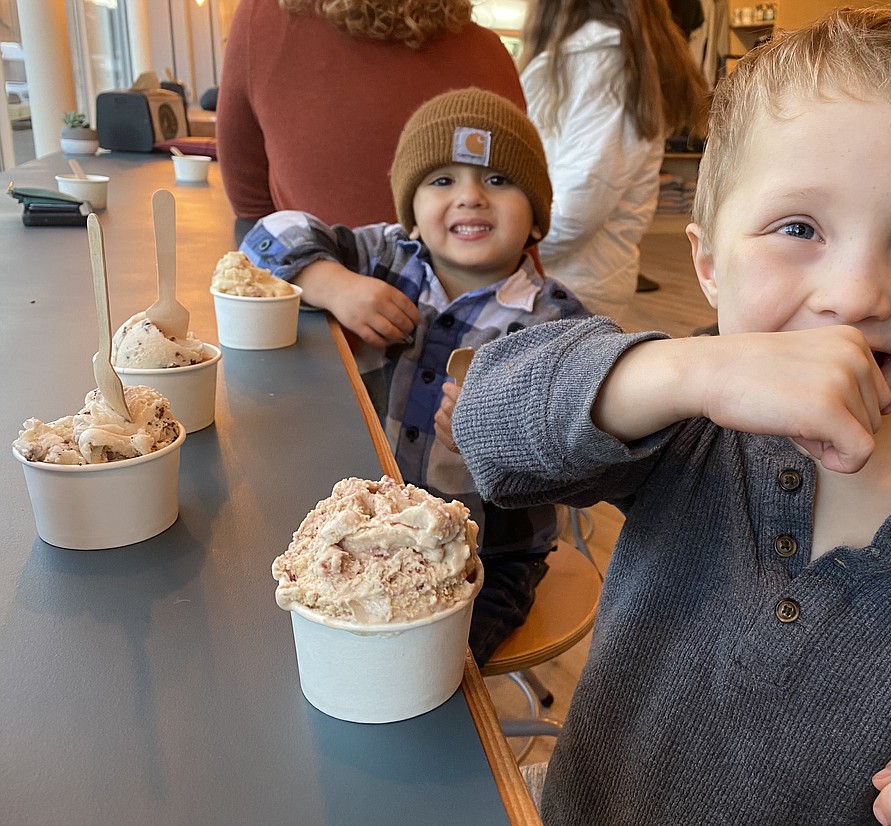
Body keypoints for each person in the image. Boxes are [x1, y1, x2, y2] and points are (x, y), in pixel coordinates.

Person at [451, 8, 891, 823]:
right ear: (709, 262)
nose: (854, 295)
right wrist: (680, 367)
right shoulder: (689, 436)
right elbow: (491, 426)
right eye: (799, 227)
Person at [239, 88, 589, 664]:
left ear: (537, 212)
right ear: (411, 203)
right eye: (443, 181)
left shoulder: (556, 323)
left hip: (493, 554)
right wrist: (334, 284)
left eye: (498, 181)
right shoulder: (385, 258)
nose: (471, 198)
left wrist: (499, 442)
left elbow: (583, 456)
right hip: (370, 530)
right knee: (318, 641)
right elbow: (268, 233)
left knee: (428, 671)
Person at [217, 0, 526, 228]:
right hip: (484, 307)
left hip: (322, 305)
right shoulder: (490, 54)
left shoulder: (264, 21)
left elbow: (252, 210)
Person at [517, 0, 708, 322]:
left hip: (566, 286)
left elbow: (576, 209)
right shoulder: (598, 60)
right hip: (567, 279)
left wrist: (499, 247)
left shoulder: (601, 65)